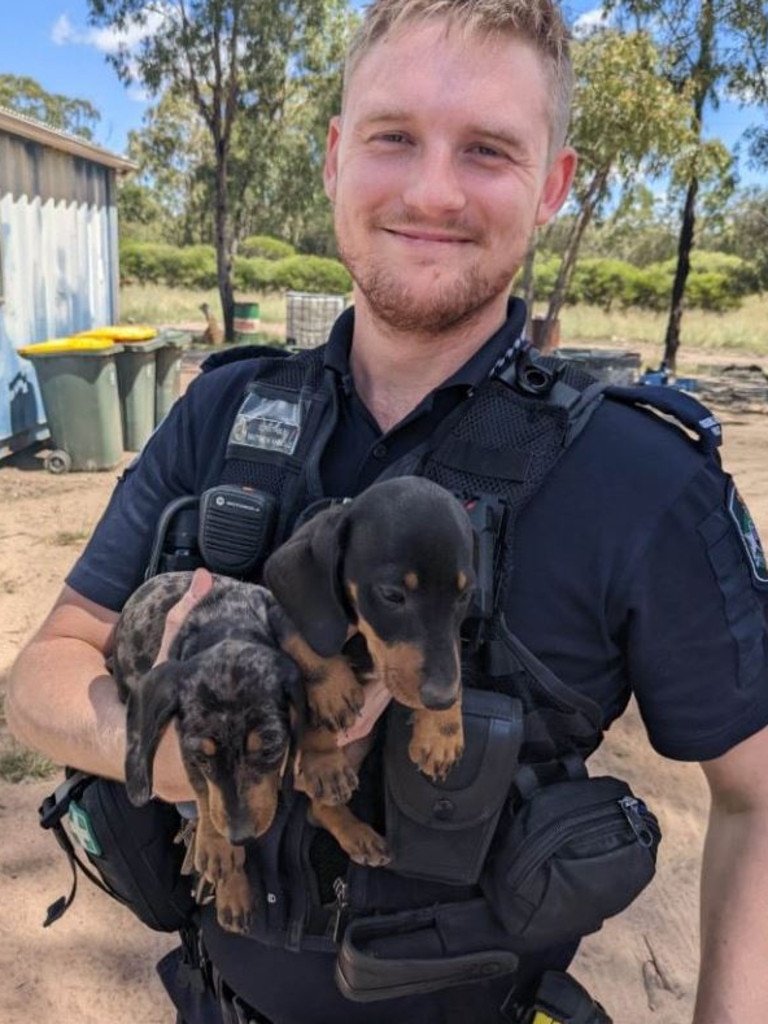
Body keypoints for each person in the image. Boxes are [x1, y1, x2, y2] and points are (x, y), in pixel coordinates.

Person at [7, 0, 768, 1021]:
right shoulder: (222, 412)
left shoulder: (642, 480)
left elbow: (757, 794)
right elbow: (47, 670)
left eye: (488, 149)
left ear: (553, 186)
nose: (432, 188)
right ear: (333, 159)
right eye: (392, 137)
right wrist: (191, 747)